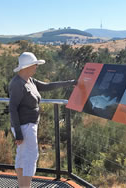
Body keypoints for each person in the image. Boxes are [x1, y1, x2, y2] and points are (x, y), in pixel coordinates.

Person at [8, 52, 76, 188]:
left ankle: (23, 186)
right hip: (24, 127)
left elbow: (47, 86)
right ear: (27, 67)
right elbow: (13, 108)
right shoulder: (17, 84)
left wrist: (70, 83)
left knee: (22, 158)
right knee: (30, 158)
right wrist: (19, 133)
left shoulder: (29, 80)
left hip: (27, 126)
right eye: (35, 65)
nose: (36, 67)